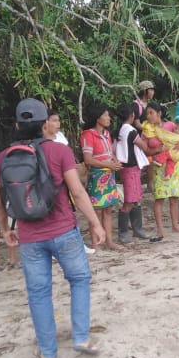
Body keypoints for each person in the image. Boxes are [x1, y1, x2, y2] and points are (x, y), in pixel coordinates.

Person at [0, 98, 105, 358]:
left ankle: (48, 351)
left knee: (39, 292)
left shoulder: (3, 158)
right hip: (64, 231)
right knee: (79, 280)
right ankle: (81, 337)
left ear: (18, 125)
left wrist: (5, 229)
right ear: (45, 124)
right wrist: (95, 223)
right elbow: (77, 192)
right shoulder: (60, 151)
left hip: (30, 238)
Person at [81, 104, 125, 251]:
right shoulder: (88, 135)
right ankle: (96, 243)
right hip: (97, 175)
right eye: (105, 115)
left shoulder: (106, 134)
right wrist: (109, 164)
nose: (108, 118)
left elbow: (110, 153)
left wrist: (114, 161)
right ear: (97, 118)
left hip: (108, 174)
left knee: (108, 209)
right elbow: (88, 159)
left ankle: (109, 242)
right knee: (96, 210)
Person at [142, 102, 179, 240]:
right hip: (157, 165)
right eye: (147, 113)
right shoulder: (147, 131)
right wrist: (158, 150)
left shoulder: (170, 126)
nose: (148, 116)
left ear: (159, 113)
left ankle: (175, 225)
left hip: (173, 164)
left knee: (174, 197)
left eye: (151, 113)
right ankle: (160, 229)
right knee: (159, 198)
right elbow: (145, 150)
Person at [113, 102, 153, 244]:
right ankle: (125, 232)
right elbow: (145, 148)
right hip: (131, 168)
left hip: (125, 167)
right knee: (130, 201)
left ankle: (136, 229)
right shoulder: (131, 131)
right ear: (132, 115)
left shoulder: (120, 129)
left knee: (134, 199)